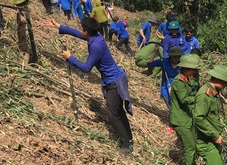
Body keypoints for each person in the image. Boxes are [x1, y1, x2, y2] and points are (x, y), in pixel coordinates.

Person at [43, 17, 134, 154]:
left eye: (82, 28)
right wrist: (58, 26)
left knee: (112, 114)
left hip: (114, 82)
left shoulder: (96, 46)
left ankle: (126, 145)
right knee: (118, 111)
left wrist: (70, 58)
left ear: (86, 31)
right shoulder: (96, 36)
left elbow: (86, 68)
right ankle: (129, 139)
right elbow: (77, 33)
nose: (80, 30)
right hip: (118, 77)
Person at [194, 65, 227, 165]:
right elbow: (199, 118)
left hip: (211, 139)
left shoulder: (212, 92)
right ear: (217, 80)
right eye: (225, 82)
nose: (225, 86)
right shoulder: (204, 95)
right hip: (205, 142)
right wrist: (215, 135)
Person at [170, 54, 201, 165]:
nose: (194, 72)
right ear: (186, 69)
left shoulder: (188, 79)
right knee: (190, 147)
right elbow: (184, 99)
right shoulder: (179, 81)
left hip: (188, 117)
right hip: (180, 119)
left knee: (194, 143)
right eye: (193, 70)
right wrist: (197, 97)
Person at [147, 46, 182, 113]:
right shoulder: (164, 61)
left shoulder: (182, 65)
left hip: (177, 90)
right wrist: (155, 52)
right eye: (174, 57)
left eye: (178, 57)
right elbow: (150, 63)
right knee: (171, 109)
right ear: (170, 56)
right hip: (166, 89)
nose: (176, 59)